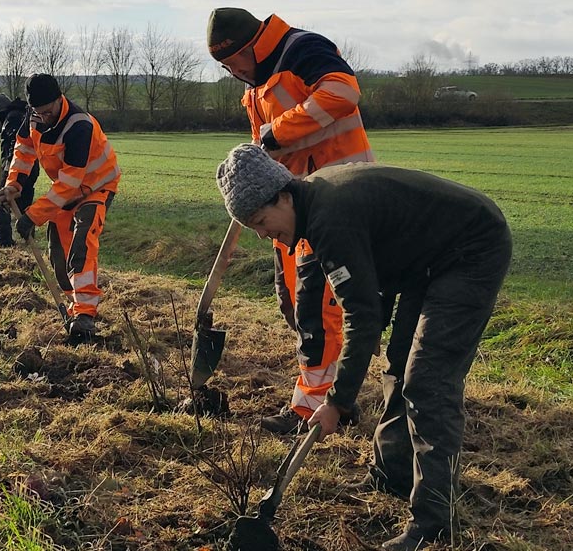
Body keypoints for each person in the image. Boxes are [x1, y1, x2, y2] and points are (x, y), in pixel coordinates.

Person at [216, 143, 511, 551]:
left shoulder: (329, 219)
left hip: (470, 249)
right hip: (425, 260)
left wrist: (338, 402)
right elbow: (376, 270)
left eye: (262, 221)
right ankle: (392, 475)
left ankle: (432, 523)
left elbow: (360, 316)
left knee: (427, 380)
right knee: (400, 365)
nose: (265, 235)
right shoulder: (313, 207)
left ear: (282, 195)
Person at [207, 7, 375, 434]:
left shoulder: (302, 49)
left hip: (335, 196)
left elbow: (344, 91)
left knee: (317, 308)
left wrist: (278, 133)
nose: (231, 72)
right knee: (295, 303)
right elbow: (262, 146)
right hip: (289, 207)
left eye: (230, 63)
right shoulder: (255, 84)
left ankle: (314, 410)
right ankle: (336, 388)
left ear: (248, 48)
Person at [0, 74, 121, 344]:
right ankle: (73, 308)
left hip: (95, 186)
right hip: (66, 189)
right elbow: (24, 149)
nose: (45, 117)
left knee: (81, 245)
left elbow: (70, 183)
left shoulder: (79, 125)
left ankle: (86, 315)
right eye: (39, 112)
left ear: (59, 98)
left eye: (48, 111)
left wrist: (33, 216)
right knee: (58, 251)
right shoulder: (34, 117)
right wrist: (15, 183)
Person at [0, 93, 39, 247]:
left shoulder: (11, 118)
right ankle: (29, 238)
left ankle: (4, 240)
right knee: (25, 199)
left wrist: (8, 169)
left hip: (15, 166)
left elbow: (12, 144)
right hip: (32, 165)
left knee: (0, 201)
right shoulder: (24, 114)